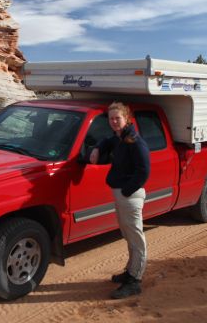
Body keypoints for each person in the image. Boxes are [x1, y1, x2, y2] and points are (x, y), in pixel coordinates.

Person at [89, 101, 150, 299]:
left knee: (136, 238)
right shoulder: (119, 138)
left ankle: (135, 281)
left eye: (118, 118)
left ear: (127, 118)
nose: (114, 121)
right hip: (123, 194)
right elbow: (107, 140)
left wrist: (126, 191)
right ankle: (130, 272)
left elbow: (144, 171)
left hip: (130, 196)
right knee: (128, 235)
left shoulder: (134, 140)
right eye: (111, 118)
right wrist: (98, 147)